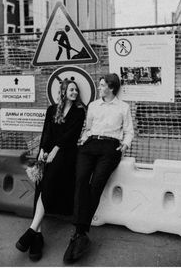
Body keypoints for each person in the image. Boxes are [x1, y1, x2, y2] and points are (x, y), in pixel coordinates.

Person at [63, 73, 134, 263]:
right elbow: (88, 127)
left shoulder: (123, 107)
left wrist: (124, 146)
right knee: (80, 181)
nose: (99, 87)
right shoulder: (93, 106)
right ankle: (80, 234)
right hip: (90, 145)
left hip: (110, 147)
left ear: (111, 88)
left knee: (96, 185)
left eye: (102, 85)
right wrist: (84, 139)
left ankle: (79, 233)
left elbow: (129, 131)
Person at [15, 79, 86, 261]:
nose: (74, 93)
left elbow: (71, 135)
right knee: (41, 183)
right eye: (71, 90)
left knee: (49, 178)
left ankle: (32, 232)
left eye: (76, 90)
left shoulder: (79, 112)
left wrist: (55, 149)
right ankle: (36, 235)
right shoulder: (51, 110)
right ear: (63, 91)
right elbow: (47, 132)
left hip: (67, 155)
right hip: (49, 153)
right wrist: (42, 151)